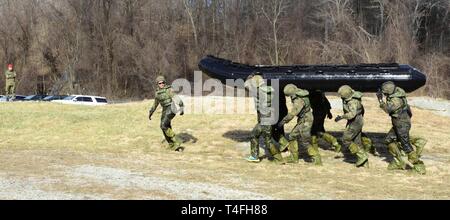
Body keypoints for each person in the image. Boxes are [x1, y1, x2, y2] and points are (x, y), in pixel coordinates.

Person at [377, 81, 426, 174]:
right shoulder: (397, 92)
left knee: (406, 145)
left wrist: (380, 100)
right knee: (388, 140)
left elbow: (387, 109)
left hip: (402, 124)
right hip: (398, 123)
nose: (384, 94)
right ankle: (399, 162)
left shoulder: (396, 100)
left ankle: (419, 167)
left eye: (385, 92)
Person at [278, 84, 322, 165]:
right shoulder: (300, 94)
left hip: (306, 120)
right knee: (292, 136)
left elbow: (292, 114)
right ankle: (293, 157)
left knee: (304, 141)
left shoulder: (298, 100)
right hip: (303, 119)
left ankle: (316, 157)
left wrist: (282, 122)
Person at [244, 74, 284, 163]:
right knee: (259, 137)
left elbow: (246, 85)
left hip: (265, 119)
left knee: (265, 140)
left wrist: (249, 77)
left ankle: (278, 158)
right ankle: (255, 156)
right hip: (269, 117)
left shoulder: (257, 91)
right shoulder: (269, 89)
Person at [335, 85, 369, 168]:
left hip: (355, 122)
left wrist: (341, 117)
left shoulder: (352, 102)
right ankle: (364, 163)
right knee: (357, 142)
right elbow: (362, 110)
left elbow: (352, 114)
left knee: (346, 139)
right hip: (358, 120)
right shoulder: (355, 98)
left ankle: (362, 156)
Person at [149, 75, 185, 152]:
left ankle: (177, 140)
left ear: (165, 82)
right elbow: (155, 104)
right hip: (165, 109)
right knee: (164, 126)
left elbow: (176, 98)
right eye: (160, 83)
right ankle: (172, 145)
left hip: (171, 108)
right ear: (157, 84)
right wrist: (151, 112)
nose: (162, 84)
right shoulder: (157, 93)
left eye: (163, 82)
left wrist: (181, 107)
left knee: (163, 125)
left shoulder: (169, 90)